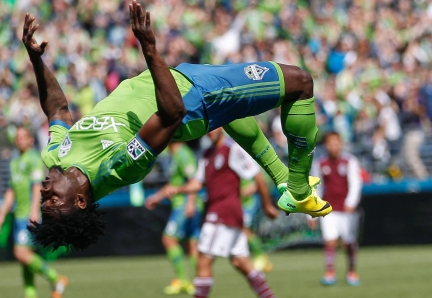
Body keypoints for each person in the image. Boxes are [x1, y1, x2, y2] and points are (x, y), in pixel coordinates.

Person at [24, 0, 331, 251]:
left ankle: (282, 179)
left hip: (184, 78)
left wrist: (36, 60)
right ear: (79, 201)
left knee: (235, 110)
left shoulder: (55, 157)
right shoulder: (118, 168)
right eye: (53, 199)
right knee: (300, 82)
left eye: (44, 197)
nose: (45, 189)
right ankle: (298, 188)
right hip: (196, 98)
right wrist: (149, 50)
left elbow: (58, 110)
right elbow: (172, 113)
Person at [166, 128, 277, 298]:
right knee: (240, 261)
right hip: (222, 213)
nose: (211, 131)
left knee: (203, 259)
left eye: (215, 127)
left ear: (223, 127)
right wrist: (178, 189)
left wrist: (267, 205)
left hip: (224, 212)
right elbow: (197, 183)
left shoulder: (233, 149)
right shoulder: (207, 154)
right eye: (208, 129)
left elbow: (258, 177)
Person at [0, 127, 68, 298]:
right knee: (26, 260)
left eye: (23, 137)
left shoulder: (33, 159)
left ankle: (56, 278)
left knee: (20, 253)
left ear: (30, 140)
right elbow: (11, 192)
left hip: (28, 214)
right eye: (17, 137)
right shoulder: (14, 162)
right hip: (18, 215)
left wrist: (34, 211)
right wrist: (1, 214)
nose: (19, 140)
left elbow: (36, 186)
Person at [145, 141, 203, 295]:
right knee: (192, 244)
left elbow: (194, 181)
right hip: (185, 203)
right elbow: (173, 184)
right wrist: (157, 197)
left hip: (185, 204)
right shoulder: (174, 154)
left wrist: (190, 203)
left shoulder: (183, 153)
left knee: (169, 239)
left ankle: (183, 279)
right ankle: (200, 282)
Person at [309, 131, 362, 286]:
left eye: (336, 142)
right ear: (326, 145)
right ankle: (330, 272)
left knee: (348, 243)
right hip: (329, 209)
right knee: (330, 241)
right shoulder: (320, 163)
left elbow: (355, 184)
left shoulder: (350, 161)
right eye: (330, 143)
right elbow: (316, 188)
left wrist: (351, 203)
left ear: (341, 143)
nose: (333, 146)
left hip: (347, 210)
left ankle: (352, 271)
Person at [239, 179, 273, 272]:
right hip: (238, 204)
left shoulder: (251, 165)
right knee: (244, 231)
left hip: (248, 204)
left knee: (244, 230)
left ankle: (261, 257)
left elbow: (261, 182)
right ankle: (262, 259)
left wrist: (247, 190)